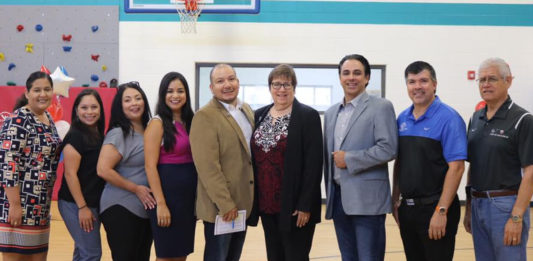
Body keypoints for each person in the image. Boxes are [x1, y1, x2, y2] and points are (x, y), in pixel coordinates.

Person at [323, 54, 398, 261]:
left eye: (357, 73)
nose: (351, 78)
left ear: (367, 78)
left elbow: (389, 148)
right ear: (339, 78)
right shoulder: (331, 113)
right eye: (346, 73)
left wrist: (350, 159)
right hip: (338, 198)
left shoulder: (380, 107)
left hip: (368, 201)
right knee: (348, 257)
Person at [391, 61, 466, 261]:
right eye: (412, 82)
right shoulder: (402, 119)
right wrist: (395, 198)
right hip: (408, 210)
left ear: (434, 84)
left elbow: (457, 168)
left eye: (423, 81)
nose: (417, 86)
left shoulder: (449, 118)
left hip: (436, 208)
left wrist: (441, 211)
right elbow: (400, 162)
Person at [251, 64, 323, 261]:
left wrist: (305, 205)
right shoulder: (259, 115)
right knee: (274, 256)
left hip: (295, 206)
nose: (281, 89)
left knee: (295, 256)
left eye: (286, 84)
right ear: (270, 87)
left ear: (294, 87)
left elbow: (313, 165)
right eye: (276, 84)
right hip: (266, 203)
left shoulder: (308, 116)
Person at [464, 58, 533, 261]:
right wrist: (468, 207)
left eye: (492, 79)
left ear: (508, 81)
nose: (485, 84)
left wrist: (517, 216)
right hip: (477, 204)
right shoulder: (475, 119)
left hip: (506, 207)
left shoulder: (523, 120)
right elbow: (472, 166)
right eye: (481, 80)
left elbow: (530, 172)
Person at [189, 64, 255, 261]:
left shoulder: (246, 109)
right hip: (222, 208)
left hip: (243, 204)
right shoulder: (205, 116)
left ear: (238, 82)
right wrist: (226, 204)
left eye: (231, 79)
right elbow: (208, 168)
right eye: (220, 81)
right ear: (211, 87)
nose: (227, 84)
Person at [0, 71, 62, 260]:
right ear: (27, 93)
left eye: (47, 89)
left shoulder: (48, 119)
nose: (42, 94)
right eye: (37, 90)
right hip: (20, 205)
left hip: (40, 208)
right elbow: (8, 164)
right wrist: (15, 205)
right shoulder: (18, 120)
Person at [97, 82, 155, 261]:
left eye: (138, 98)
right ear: (120, 106)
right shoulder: (119, 133)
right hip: (120, 206)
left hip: (144, 208)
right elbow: (103, 169)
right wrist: (135, 188)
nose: (134, 103)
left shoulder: (149, 130)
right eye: (128, 100)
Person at [144, 72, 197, 261]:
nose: (175, 95)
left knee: (181, 254)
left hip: (187, 199)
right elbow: (150, 167)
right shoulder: (157, 124)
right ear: (162, 95)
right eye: (170, 91)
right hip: (167, 197)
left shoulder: (191, 121)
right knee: (166, 255)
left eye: (180, 91)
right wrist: (161, 204)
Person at [58, 89, 107, 261]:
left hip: (91, 203)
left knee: (82, 252)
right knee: (91, 254)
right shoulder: (75, 136)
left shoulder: (97, 135)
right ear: (76, 110)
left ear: (100, 110)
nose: (90, 112)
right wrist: (82, 207)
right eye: (84, 108)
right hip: (75, 204)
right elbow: (70, 175)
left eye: (94, 107)